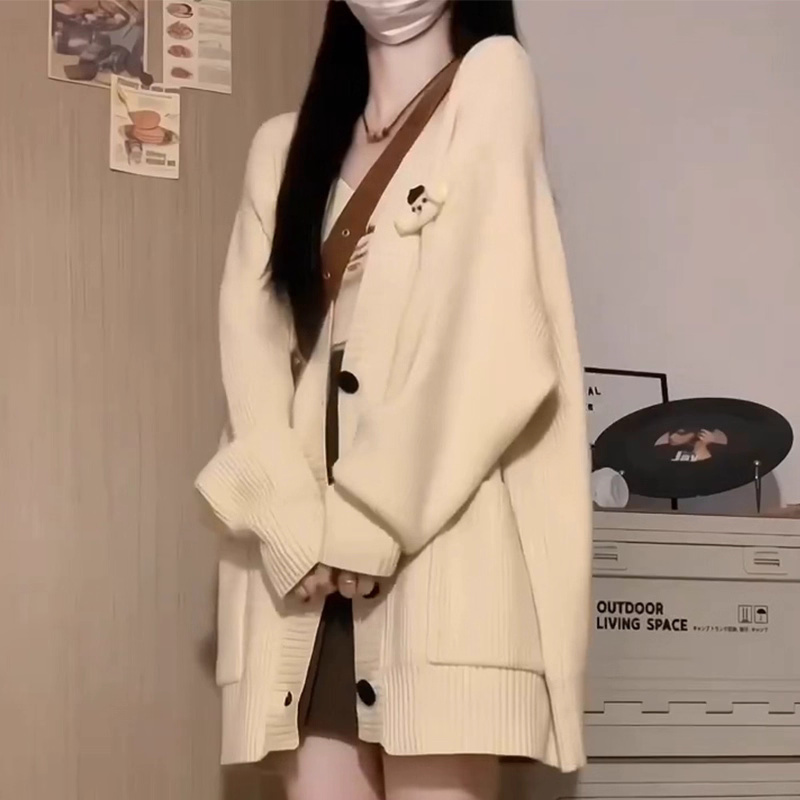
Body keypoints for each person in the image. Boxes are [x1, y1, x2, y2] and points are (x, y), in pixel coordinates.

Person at [196, 1, 593, 798]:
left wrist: (367, 517)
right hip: (307, 556)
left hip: (440, 528)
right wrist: (293, 527)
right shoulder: (282, 150)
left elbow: (493, 334)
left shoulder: (492, 80)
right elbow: (252, 355)